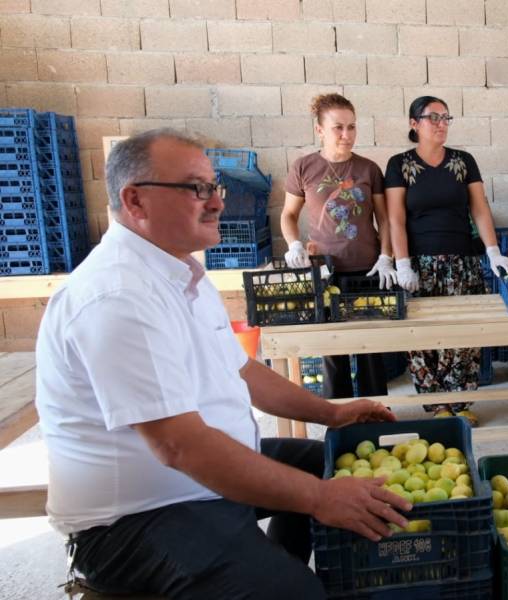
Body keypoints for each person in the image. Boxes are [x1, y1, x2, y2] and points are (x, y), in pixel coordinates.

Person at [35, 129, 411, 600]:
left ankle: (270, 566)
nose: (215, 202)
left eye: (215, 187)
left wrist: (332, 414)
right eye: (196, 188)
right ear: (136, 201)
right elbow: (179, 447)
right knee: (305, 578)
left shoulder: (180, 273)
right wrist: (318, 499)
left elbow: (242, 371)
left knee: (329, 463)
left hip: (196, 481)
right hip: (137, 517)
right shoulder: (116, 296)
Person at [385, 96, 508, 426]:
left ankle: (459, 402)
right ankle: (436, 405)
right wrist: (402, 263)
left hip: (463, 263)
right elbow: (395, 219)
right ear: (414, 124)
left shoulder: (463, 161)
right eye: (433, 117)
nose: (441, 123)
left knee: (463, 333)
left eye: (446, 117)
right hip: (419, 267)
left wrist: (492, 251)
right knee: (422, 336)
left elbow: (480, 208)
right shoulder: (399, 164)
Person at [281, 93, 395, 402]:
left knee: (371, 351)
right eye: (338, 127)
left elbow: (385, 220)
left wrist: (387, 257)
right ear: (320, 129)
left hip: (368, 271)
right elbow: (289, 215)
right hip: (326, 272)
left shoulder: (369, 169)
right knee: (333, 353)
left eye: (352, 127)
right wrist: (294, 245)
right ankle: (339, 420)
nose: (347, 135)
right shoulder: (304, 167)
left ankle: (376, 414)